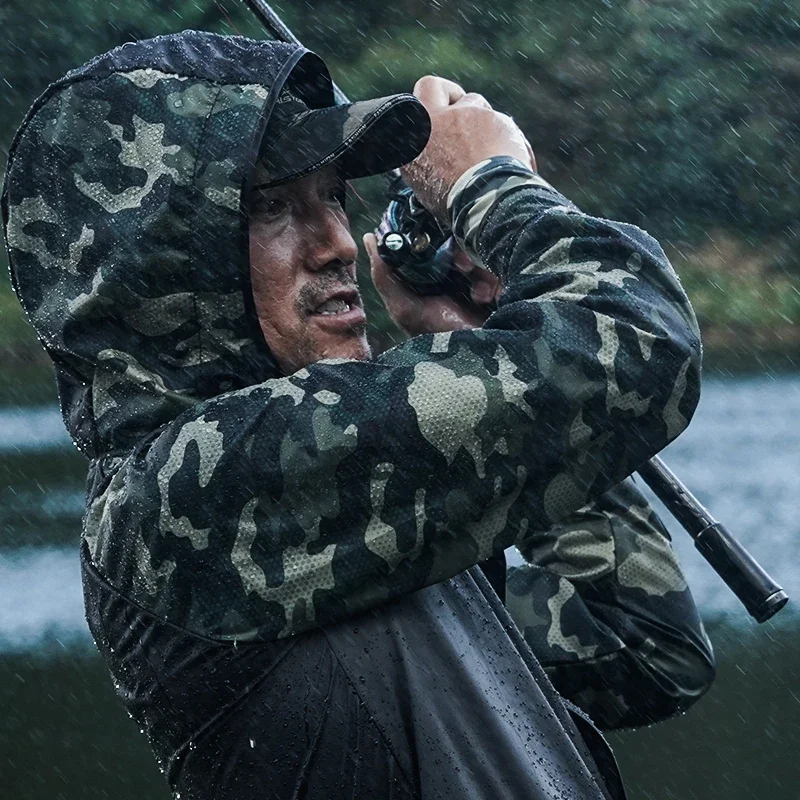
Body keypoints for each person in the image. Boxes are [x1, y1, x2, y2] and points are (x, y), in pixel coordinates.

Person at [2, 29, 712, 800]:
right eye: (272, 207)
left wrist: (463, 344)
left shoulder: (337, 510)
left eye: (334, 197)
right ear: (155, 260)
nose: (339, 242)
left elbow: (639, 644)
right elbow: (640, 336)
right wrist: (488, 184)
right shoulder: (195, 490)